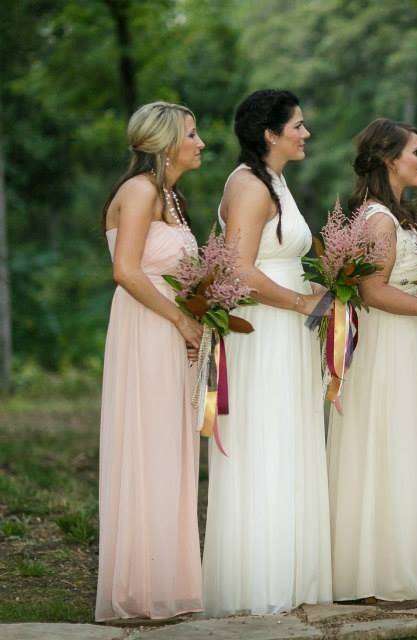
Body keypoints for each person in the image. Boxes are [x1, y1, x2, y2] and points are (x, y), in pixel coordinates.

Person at [203, 89, 332, 616]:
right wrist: (302, 300)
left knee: (290, 437)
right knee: (267, 439)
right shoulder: (250, 186)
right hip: (265, 328)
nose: (305, 133)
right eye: (297, 125)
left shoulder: (275, 181)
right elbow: (237, 269)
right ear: (269, 134)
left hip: (287, 332)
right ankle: (260, 579)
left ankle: (292, 569)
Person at [327, 118, 417, 601]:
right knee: (387, 441)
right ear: (390, 160)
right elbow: (373, 290)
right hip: (390, 343)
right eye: (416, 152)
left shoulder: (396, 215)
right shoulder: (379, 218)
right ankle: (379, 571)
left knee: (403, 443)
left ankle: (398, 563)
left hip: (409, 340)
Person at [97, 101, 204, 621]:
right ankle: (141, 587)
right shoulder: (139, 192)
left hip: (170, 325)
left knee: (171, 446)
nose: (200, 142)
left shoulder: (172, 197)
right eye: (191, 133)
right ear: (165, 144)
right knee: (149, 443)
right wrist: (181, 319)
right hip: (147, 325)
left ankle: (169, 582)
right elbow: (127, 271)